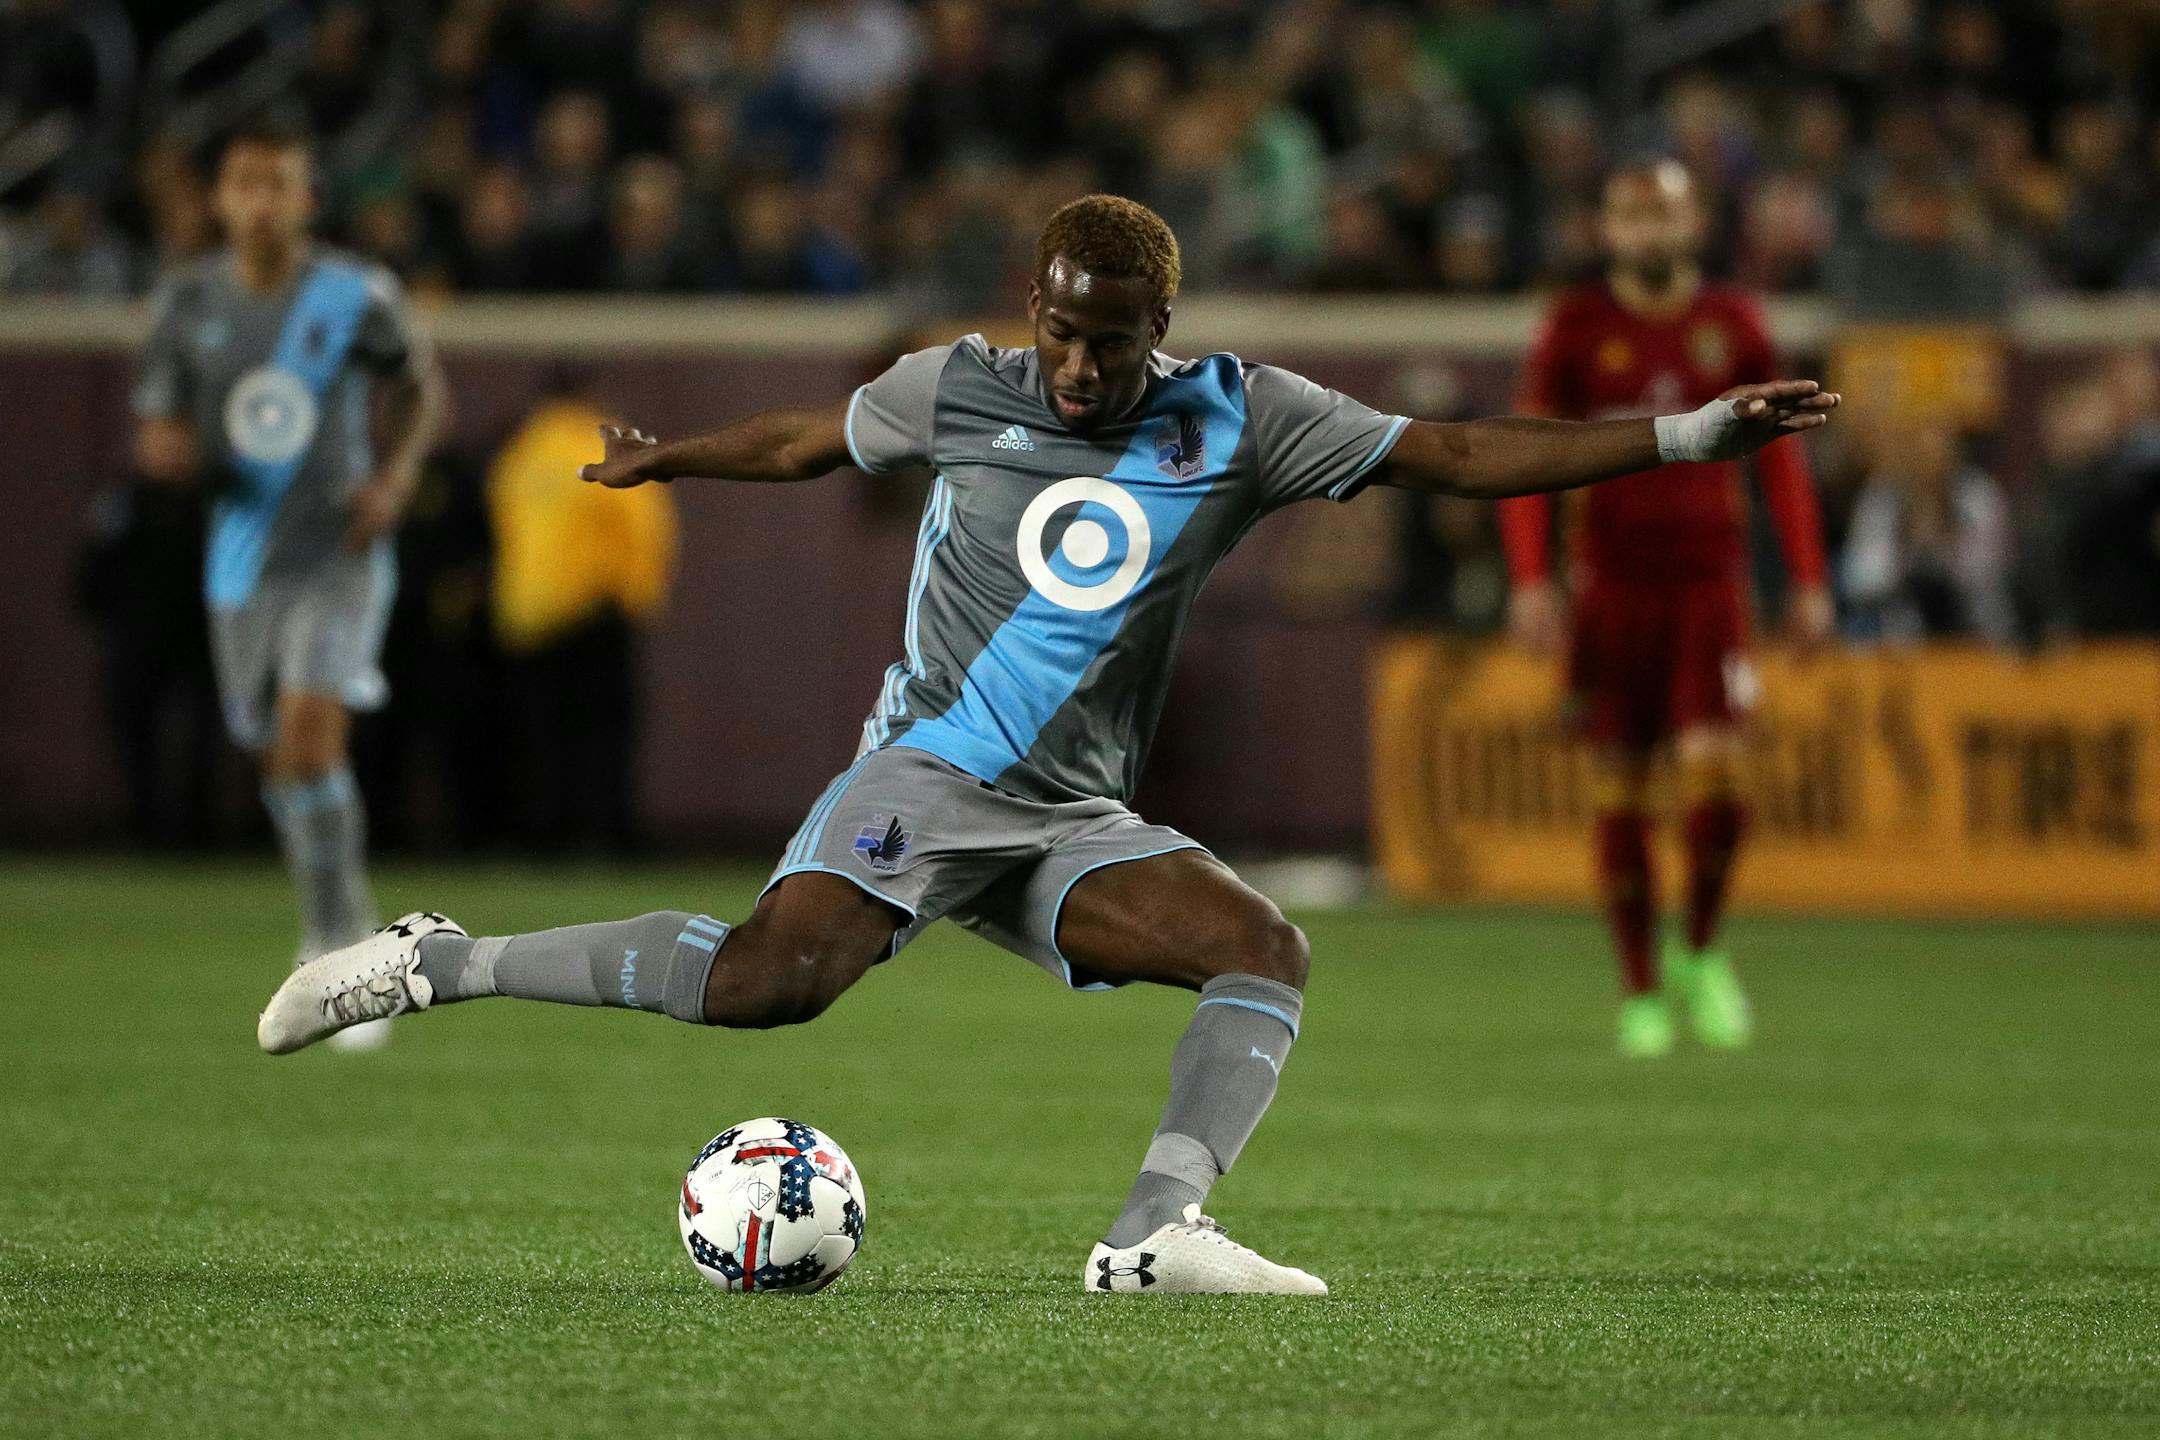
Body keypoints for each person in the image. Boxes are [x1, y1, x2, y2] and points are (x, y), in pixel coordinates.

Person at [259, 194, 1836, 1293]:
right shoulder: (957, 386)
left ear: (1166, 321)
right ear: (1035, 311)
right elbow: (811, 437)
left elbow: (1460, 452)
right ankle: (435, 960)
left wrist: (1692, 436)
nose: (1082, 365)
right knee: (767, 985)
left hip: (1074, 814)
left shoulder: (1242, 417)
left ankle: (1155, 1236)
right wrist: (672, 461)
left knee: (1262, 947)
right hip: (931, 775)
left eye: (1115, 339)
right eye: (1063, 334)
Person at [1497, 162, 1833, 1060]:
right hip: (1611, 588)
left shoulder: (1734, 322)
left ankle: (1702, 947)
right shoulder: (1576, 328)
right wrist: (1532, 579)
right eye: (1633, 214)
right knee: (1622, 788)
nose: (1650, 231)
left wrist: (1808, 577)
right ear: (1607, 229)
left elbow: (1782, 464)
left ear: (1696, 222)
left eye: (1667, 214)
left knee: (1718, 780)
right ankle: (1641, 989)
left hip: (1710, 587)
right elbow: (1527, 458)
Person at [134, 115, 445, 1049]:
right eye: (244, 182)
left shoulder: (354, 297)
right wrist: (169, 452)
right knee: (277, 755)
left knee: (310, 745)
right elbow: (159, 429)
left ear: (307, 199)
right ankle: (329, 919)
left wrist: (393, 479)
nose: (262, 201)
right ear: (221, 199)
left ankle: (345, 956)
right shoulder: (186, 304)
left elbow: (423, 386)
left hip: (339, 559)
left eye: (280, 183)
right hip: (240, 566)